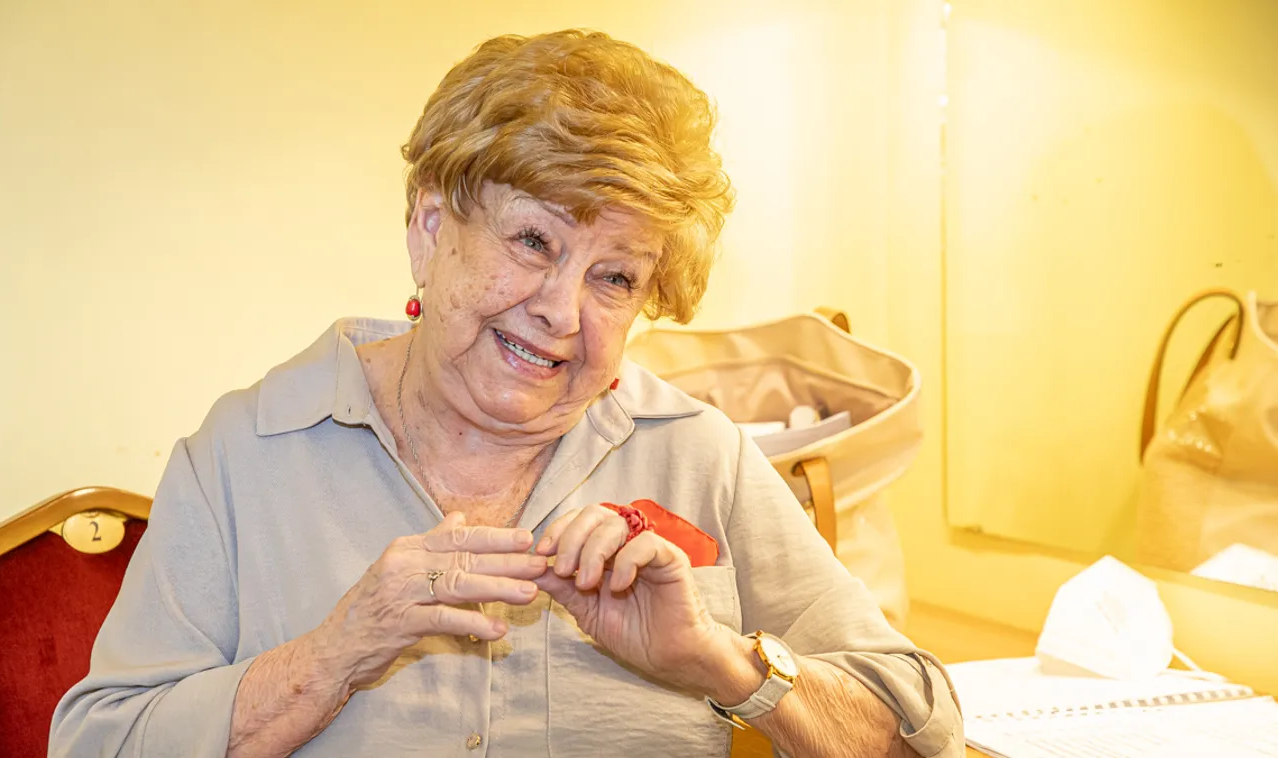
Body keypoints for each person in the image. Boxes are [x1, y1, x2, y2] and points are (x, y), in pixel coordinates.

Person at [50, 29, 961, 758]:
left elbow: (924, 732)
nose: (562, 312)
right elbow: (98, 742)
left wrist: (721, 663)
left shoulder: (694, 451)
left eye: (614, 279)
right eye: (533, 242)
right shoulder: (246, 452)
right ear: (430, 227)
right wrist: (335, 654)